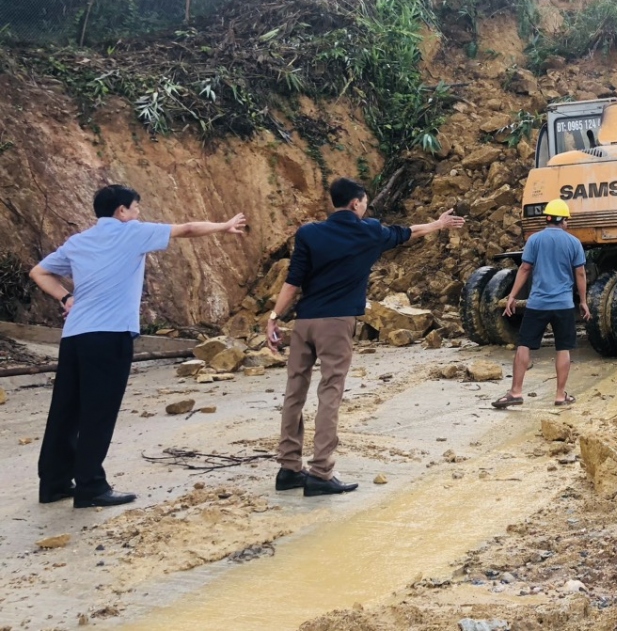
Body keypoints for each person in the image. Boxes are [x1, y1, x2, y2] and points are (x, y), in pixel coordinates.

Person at [29, 184, 247, 508]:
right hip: (109, 335)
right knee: (98, 412)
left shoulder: (79, 241)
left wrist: (66, 297)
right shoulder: (131, 233)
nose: (138, 213)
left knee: (66, 409)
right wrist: (224, 226)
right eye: (135, 208)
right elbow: (186, 229)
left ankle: (54, 483)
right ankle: (90, 487)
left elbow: (39, 271)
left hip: (74, 336)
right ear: (121, 211)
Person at [267, 177, 465, 497]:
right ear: (356, 203)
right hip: (336, 324)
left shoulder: (308, 233)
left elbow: (292, 282)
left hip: (304, 324)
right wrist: (439, 224)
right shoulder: (368, 231)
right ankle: (320, 472)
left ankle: (289, 469)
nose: (366, 207)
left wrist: (274, 318)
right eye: (365, 202)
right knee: (329, 392)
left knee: (294, 393)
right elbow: (409, 232)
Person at [492, 198, 588, 410]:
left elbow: (525, 269)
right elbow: (580, 273)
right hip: (563, 305)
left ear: (547, 219)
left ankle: (516, 392)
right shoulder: (573, 243)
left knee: (524, 345)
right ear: (562, 220)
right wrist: (583, 301)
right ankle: (560, 396)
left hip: (538, 304)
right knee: (563, 349)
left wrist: (512, 296)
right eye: (567, 220)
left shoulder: (535, 240)